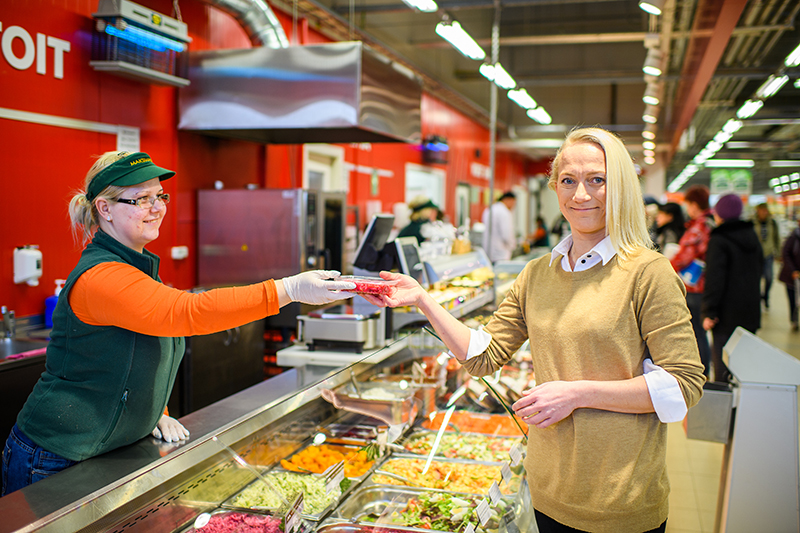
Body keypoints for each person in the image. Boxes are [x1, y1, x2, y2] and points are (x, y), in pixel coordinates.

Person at [362, 127, 705, 533]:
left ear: (622, 188)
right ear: (555, 188)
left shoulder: (648, 273)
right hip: (547, 489)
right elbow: (482, 356)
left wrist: (577, 393)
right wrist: (422, 299)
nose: (581, 195)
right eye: (568, 180)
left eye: (597, 180)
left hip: (620, 501)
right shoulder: (538, 273)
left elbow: (684, 385)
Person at [1, 151, 355, 496]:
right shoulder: (101, 277)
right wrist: (288, 288)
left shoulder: (135, 268)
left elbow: (143, 351)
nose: (157, 208)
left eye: (159, 196)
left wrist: (155, 410)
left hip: (101, 450)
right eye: (141, 199)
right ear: (104, 209)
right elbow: (186, 313)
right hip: (53, 456)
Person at [701, 194, 762, 383]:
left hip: (726, 313)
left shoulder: (719, 239)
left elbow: (715, 278)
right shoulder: (752, 236)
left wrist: (709, 311)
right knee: (743, 363)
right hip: (750, 310)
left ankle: (726, 407)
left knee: (723, 364)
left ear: (719, 214)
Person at [670, 185, 715, 377]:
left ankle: (699, 373)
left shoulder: (699, 226)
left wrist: (665, 266)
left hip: (695, 286)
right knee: (698, 331)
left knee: (695, 332)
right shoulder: (712, 223)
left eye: (688, 204)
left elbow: (684, 256)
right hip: (704, 283)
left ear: (694, 204)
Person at [752, 203, 781, 309]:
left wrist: (778, 253)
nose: (764, 212)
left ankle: (766, 295)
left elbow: (777, 238)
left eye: (765, 210)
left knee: (769, 278)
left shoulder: (772, 223)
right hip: (755, 255)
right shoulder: (752, 223)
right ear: (758, 211)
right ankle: (757, 297)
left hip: (768, 254)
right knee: (756, 279)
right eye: (762, 210)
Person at [482, 191, 517, 262]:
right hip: (501, 254)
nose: (513, 206)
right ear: (508, 200)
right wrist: (512, 245)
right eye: (513, 202)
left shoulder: (489, 209)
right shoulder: (504, 212)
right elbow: (506, 235)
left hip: (488, 252)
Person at [779, 216, 800, 331]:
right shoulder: (794, 237)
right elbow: (786, 253)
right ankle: (794, 320)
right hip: (792, 276)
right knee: (793, 299)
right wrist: (793, 270)